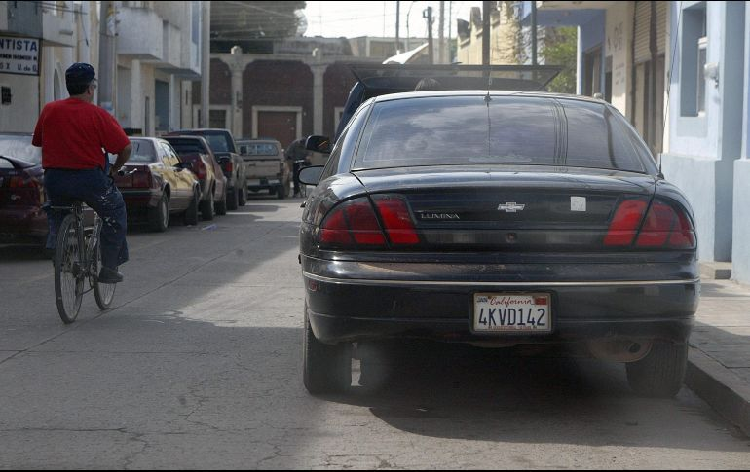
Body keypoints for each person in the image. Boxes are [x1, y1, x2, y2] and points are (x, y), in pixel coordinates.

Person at [32, 63, 132, 284]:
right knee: (115, 212)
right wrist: (114, 169)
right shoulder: (97, 115)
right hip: (89, 179)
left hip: (55, 179)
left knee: (57, 212)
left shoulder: (50, 110)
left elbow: (38, 140)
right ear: (90, 88)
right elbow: (125, 148)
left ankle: (59, 249)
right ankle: (109, 266)